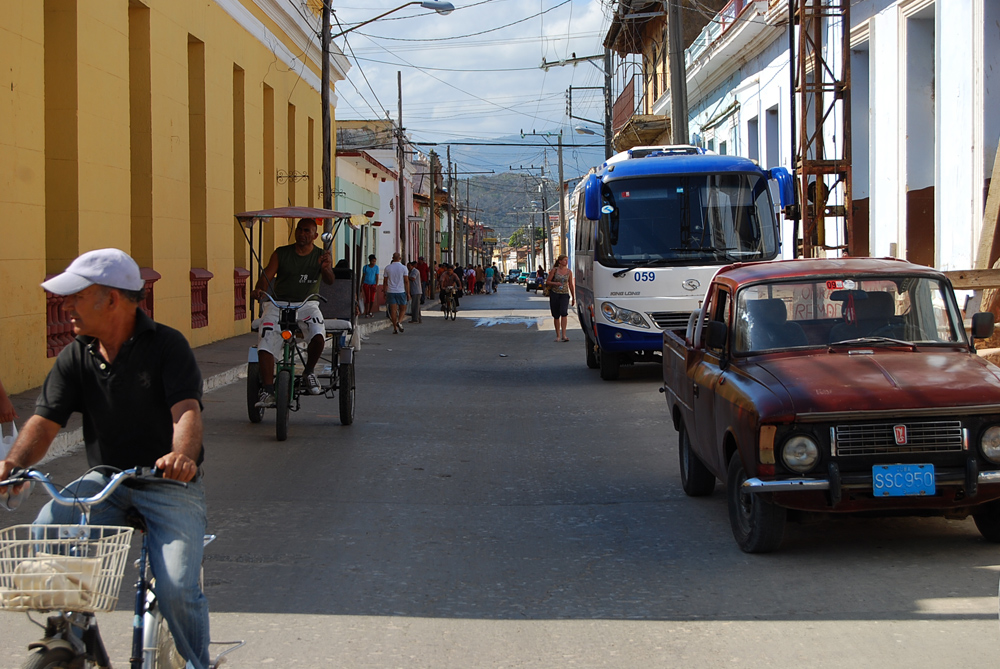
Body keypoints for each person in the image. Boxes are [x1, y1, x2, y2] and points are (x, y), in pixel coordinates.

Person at [0, 248, 211, 668]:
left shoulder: (167, 345)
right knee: (47, 529)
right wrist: (13, 465)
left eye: (76, 296)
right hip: (106, 482)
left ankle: (197, 664)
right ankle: (69, 640)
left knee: (174, 585)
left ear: (111, 299)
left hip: (168, 484)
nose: (66, 306)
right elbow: (45, 421)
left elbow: (186, 411)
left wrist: (182, 457)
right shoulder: (77, 354)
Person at [251, 218, 334, 404]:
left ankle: (309, 371)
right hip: (278, 303)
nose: (302, 234)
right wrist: (259, 289)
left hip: (307, 305)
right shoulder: (282, 253)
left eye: (307, 231)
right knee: (265, 339)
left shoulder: (322, 255)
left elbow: (330, 280)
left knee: (318, 335)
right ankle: (268, 390)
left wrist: (326, 267)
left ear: (315, 235)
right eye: (299, 230)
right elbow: (267, 275)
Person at [546, 254, 576, 342]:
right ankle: (558, 335)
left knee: (564, 313)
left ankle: (564, 335)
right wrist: (555, 284)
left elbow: (570, 285)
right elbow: (548, 281)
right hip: (555, 294)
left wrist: (573, 297)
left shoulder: (569, 272)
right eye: (564, 260)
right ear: (560, 261)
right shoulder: (554, 270)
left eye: (567, 260)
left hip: (564, 294)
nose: (566, 262)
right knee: (556, 315)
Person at [383, 252, 410, 334]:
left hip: (391, 291)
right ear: (400, 258)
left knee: (393, 310)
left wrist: (385, 292)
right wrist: (408, 293)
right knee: (403, 308)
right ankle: (400, 321)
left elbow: (385, 282)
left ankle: (395, 328)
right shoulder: (404, 268)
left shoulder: (387, 268)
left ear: (392, 258)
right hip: (401, 291)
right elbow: (406, 281)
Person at [361, 254, 380, 318]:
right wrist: (361, 284)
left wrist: (376, 285)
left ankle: (370, 311)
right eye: (372, 261)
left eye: (374, 261)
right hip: (366, 284)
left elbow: (377, 276)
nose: (373, 262)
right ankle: (366, 311)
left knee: (372, 298)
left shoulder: (376, 267)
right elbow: (363, 276)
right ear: (370, 261)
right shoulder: (365, 267)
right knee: (367, 298)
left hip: (373, 284)